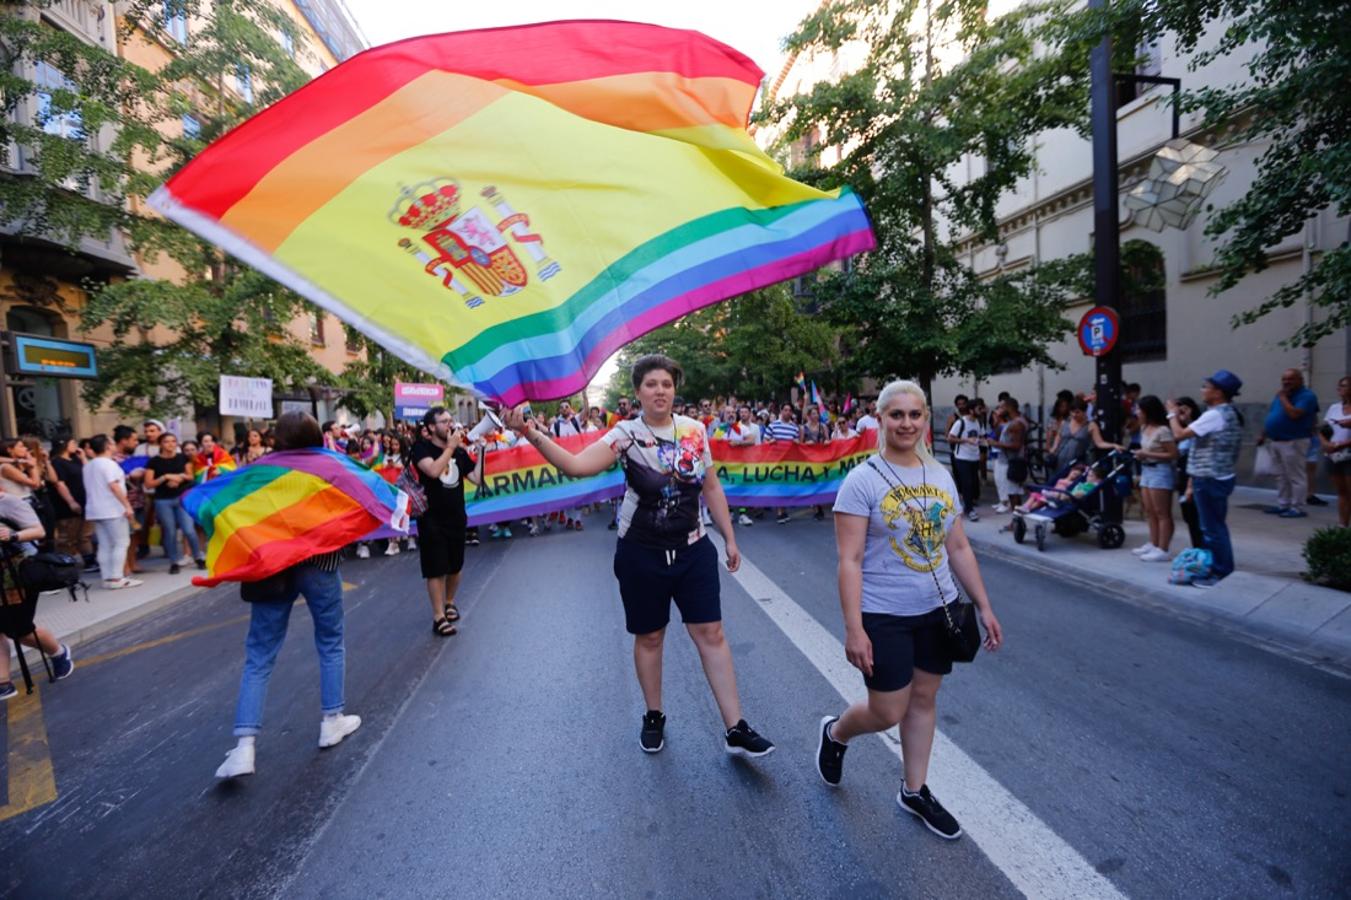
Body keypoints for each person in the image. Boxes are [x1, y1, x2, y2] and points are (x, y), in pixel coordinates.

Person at [504, 354, 775, 759]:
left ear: (674, 389)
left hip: (692, 549)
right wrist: (529, 432)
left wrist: (729, 538)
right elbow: (577, 467)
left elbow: (711, 487)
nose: (660, 391)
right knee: (650, 636)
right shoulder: (625, 435)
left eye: (666, 384)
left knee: (712, 634)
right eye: (651, 385)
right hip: (641, 553)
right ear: (637, 392)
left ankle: (735, 727)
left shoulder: (695, 431)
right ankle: (653, 715)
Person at [817, 379, 1001, 840]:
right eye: (896, 414)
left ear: (925, 419)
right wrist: (853, 628)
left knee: (923, 700)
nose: (906, 423)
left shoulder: (939, 475)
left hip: (937, 609)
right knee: (887, 710)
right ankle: (836, 733)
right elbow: (850, 560)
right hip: (883, 614)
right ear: (880, 419)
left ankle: (914, 790)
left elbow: (957, 545)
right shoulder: (862, 481)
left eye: (914, 414)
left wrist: (983, 604)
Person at [214, 411, 363, 779]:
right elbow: (358, 500)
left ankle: (244, 747)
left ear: (278, 437)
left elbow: (237, 510)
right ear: (315, 434)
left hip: (273, 569)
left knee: (259, 655)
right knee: (331, 641)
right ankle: (332, 720)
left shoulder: (261, 470)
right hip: (321, 566)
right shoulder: (330, 465)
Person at [1167, 370, 1244, 588]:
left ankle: (1221, 572)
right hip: (1219, 475)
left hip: (1209, 477)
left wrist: (1172, 414)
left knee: (1212, 528)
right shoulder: (1228, 413)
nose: (1202, 390)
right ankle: (1220, 567)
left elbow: (1179, 435)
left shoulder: (1215, 415)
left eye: (1205, 386)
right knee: (1215, 526)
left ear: (1218, 392)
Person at [412, 407, 483, 635]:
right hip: (431, 518)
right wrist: (451, 447)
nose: (449, 425)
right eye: (444, 421)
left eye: (450, 420)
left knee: (455, 565)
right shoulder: (422, 448)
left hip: (456, 516)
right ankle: (438, 617)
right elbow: (432, 471)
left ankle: (449, 602)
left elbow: (477, 478)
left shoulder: (460, 453)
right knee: (435, 568)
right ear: (431, 427)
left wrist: (482, 452)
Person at [0, 488, 75, 700]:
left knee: (20, 629)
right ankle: (3, 681)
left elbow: (38, 531)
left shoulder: (9, 502)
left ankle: (59, 653)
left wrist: (13, 535)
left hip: (16, 574)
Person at [1256, 368, 1319, 519]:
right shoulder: (1281, 396)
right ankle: (1283, 504)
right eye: (1284, 379)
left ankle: (1297, 507)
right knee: (1281, 475)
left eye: (1290, 379)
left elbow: (1295, 414)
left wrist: (1283, 397)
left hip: (1294, 441)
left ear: (1300, 380)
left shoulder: (1306, 396)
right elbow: (1272, 414)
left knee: (1295, 476)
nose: (1286, 382)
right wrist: (1263, 434)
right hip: (1276, 440)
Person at [83, 434, 141, 589]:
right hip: (112, 509)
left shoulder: (89, 465)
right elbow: (114, 486)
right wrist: (127, 506)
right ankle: (116, 577)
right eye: (112, 443)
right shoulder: (109, 464)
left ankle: (107, 578)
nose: (114, 445)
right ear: (108, 446)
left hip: (95, 509)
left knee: (105, 544)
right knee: (121, 543)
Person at [145, 432, 204, 574]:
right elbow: (148, 484)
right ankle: (173, 561)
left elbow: (190, 476)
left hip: (182, 497)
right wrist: (165, 477)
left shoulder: (182, 458)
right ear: (161, 444)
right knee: (170, 532)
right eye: (166, 441)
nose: (170, 444)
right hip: (163, 500)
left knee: (189, 530)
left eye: (173, 441)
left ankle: (198, 557)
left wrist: (178, 478)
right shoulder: (154, 461)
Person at [1131, 396, 1178, 562]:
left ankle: (1163, 548)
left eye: (1139, 409)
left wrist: (1147, 454)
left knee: (1162, 512)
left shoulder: (1163, 430)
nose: (1137, 412)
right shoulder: (1144, 428)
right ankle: (1153, 542)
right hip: (1147, 470)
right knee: (1150, 511)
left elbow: (1173, 454)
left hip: (1160, 471)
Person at [1171, 397, 1207, 549]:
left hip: (1193, 476)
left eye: (1183, 410)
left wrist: (1174, 415)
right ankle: (1197, 548)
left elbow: (1181, 436)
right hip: (1182, 475)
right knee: (1189, 516)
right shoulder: (1178, 429)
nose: (1180, 415)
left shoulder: (1196, 428)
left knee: (1197, 515)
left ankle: (1203, 549)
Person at [48, 438, 89, 560]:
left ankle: (88, 559)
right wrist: (71, 501)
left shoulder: (75, 459)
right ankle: (65, 560)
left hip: (82, 498)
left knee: (84, 534)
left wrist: (83, 458)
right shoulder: (57, 462)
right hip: (66, 502)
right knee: (67, 535)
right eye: (73, 443)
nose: (76, 446)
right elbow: (60, 483)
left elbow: (88, 472)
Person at [1320, 375, 1351, 528]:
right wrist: (1326, 444)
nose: (1340, 389)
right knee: (1342, 491)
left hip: (1348, 453)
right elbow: (1323, 429)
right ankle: (1343, 525)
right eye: (1340, 386)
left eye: (1344, 386)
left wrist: (1343, 443)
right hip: (1334, 454)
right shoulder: (1334, 407)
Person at [946, 404, 984, 521]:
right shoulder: (960, 423)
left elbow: (981, 437)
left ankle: (969, 503)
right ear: (971, 410)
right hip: (962, 458)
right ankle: (969, 509)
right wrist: (966, 440)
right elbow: (950, 438)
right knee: (967, 483)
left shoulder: (979, 422)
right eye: (979, 408)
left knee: (973, 482)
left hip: (974, 457)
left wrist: (983, 442)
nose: (981, 411)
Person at [989, 398, 1026, 514]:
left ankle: (1017, 522)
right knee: (1012, 493)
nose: (998, 410)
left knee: (1014, 493)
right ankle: (1016, 521)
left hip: (1011, 462)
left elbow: (1017, 445)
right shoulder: (1011, 422)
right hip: (1008, 461)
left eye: (1001, 407)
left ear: (1009, 408)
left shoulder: (1017, 424)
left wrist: (996, 444)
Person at [766, 403, 800, 524]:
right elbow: (765, 441)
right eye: (785, 410)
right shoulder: (773, 426)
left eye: (789, 410)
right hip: (776, 461)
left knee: (786, 486)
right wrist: (771, 441)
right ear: (781, 411)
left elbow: (798, 444)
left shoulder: (794, 427)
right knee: (779, 486)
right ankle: (780, 512)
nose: (787, 412)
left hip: (789, 462)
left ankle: (783, 510)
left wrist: (796, 443)